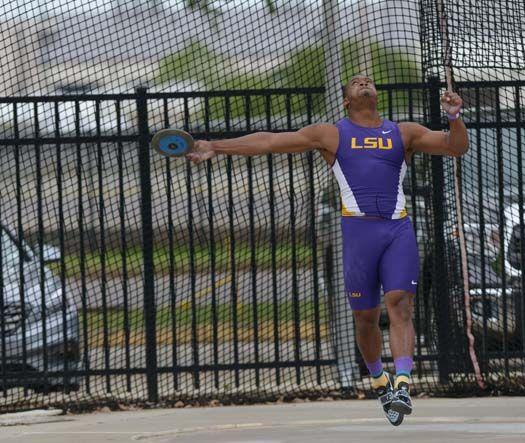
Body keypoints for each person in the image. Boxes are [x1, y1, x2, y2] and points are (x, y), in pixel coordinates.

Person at [185, 75, 468, 426]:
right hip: (358, 232)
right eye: (356, 82)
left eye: (369, 81)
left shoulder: (403, 132)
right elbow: (270, 141)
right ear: (346, 100)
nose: (365, 82)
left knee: (400, 304)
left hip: (396, 228)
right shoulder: (330, 134)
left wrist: (455, 118)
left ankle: (404, 385)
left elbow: (455, 148)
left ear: (376, 95)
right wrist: (216, 147)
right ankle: (380, 381)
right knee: (365, 318)